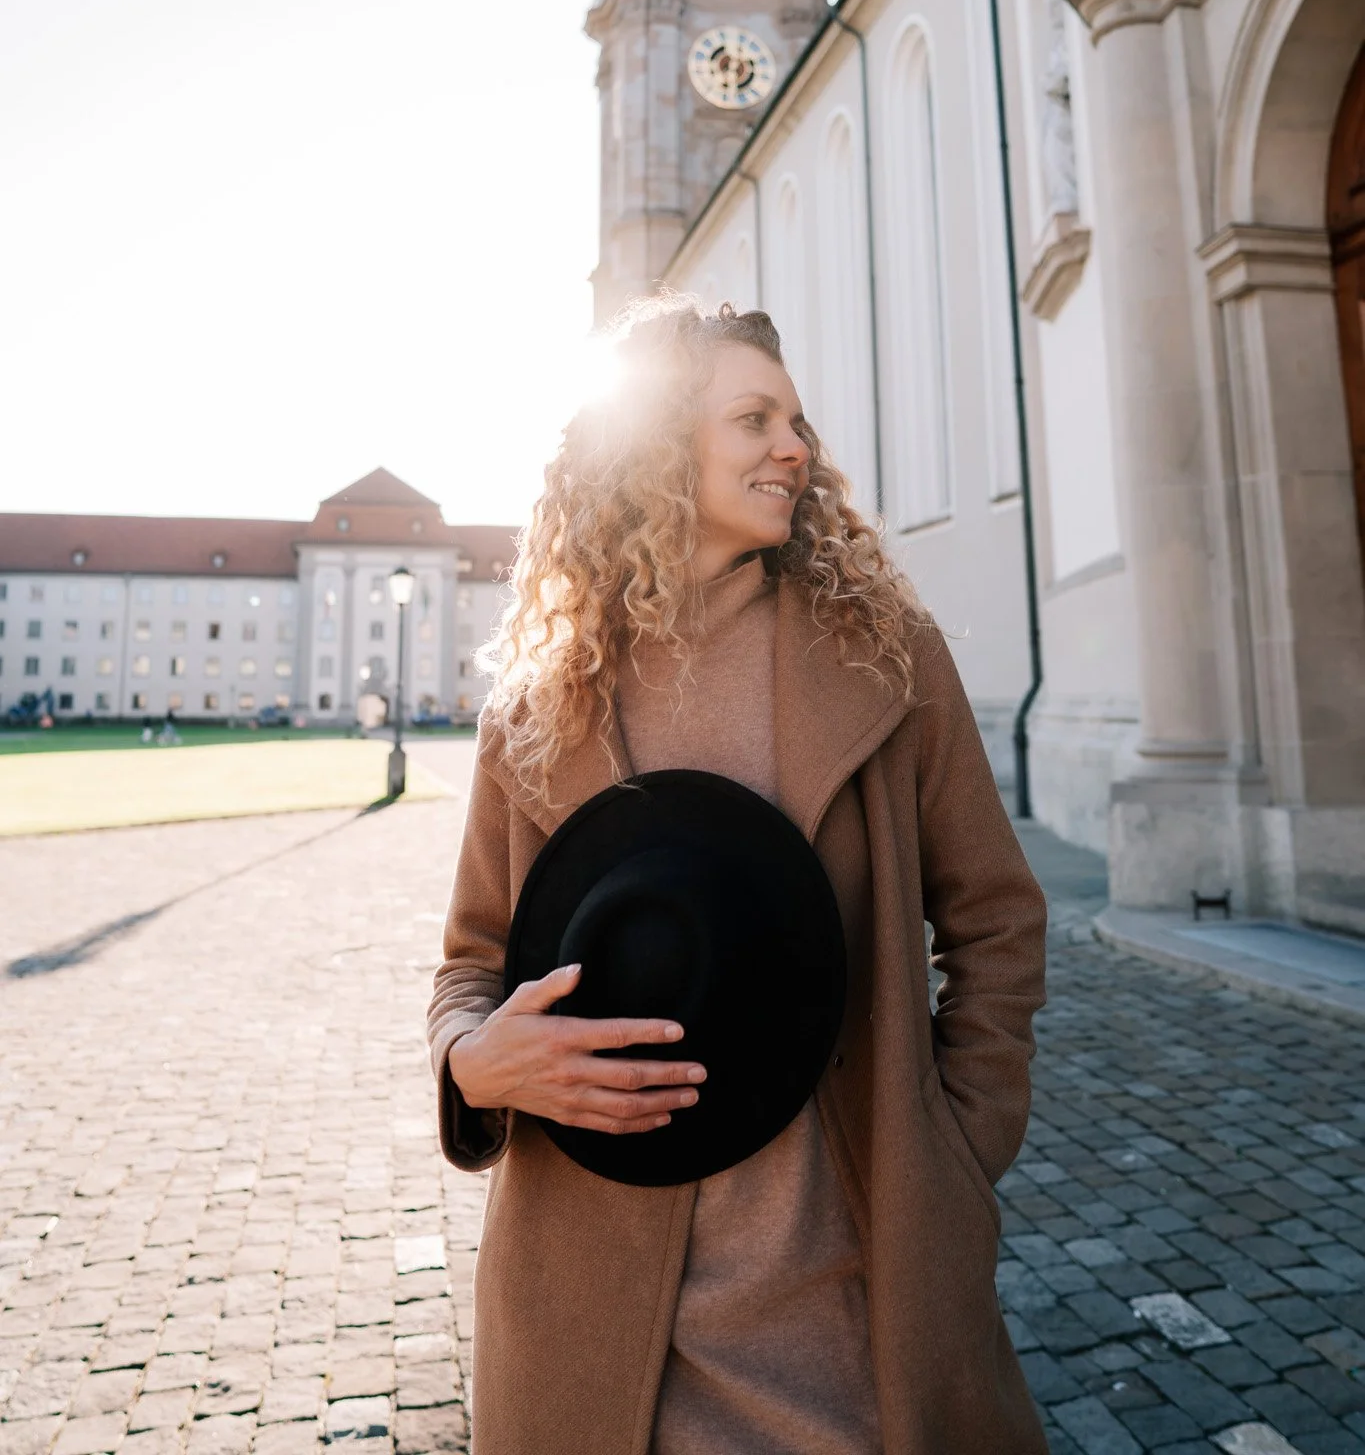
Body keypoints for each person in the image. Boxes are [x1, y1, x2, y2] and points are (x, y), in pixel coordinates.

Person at [428, 297, 1048, 1455]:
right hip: (597, 1319)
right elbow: (470, 962)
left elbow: (997, 916)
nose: (796, 448)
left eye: (797, 420)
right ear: (655, 444)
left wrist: (960, 1142)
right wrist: (474, 1058)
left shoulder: (886, 651)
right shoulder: (537, 703)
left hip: (858, 1308)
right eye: (755, 417)